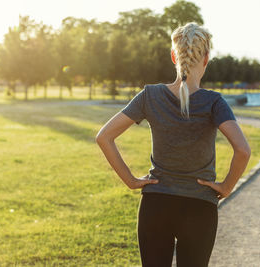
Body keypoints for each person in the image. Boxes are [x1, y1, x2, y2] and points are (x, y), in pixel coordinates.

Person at [95, 22, 251, 267]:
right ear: (206, 59)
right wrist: (226, 187)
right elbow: (242, 150)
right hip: (200, 207)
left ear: (172, 56)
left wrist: (131, 181)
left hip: (156, 204)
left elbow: (104, 137)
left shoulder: (150, 95)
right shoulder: (214, 102)